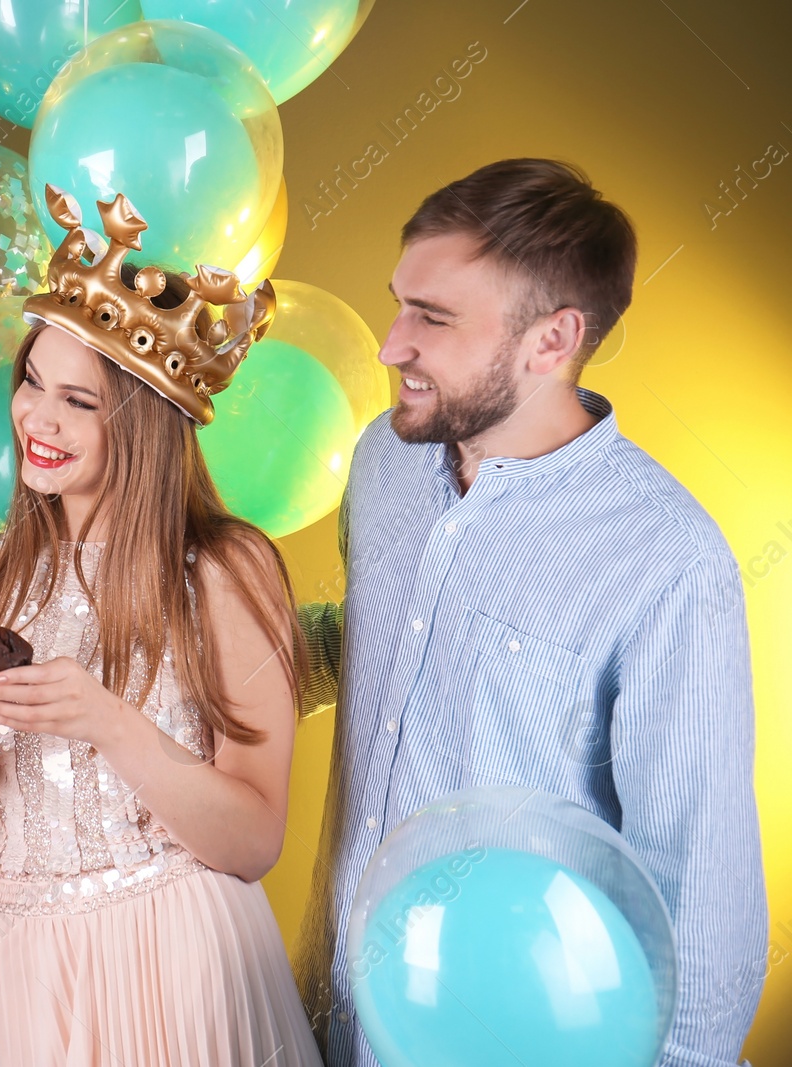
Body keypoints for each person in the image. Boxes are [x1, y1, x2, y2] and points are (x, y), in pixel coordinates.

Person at [292, 158, 765, 1066]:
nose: (391, 345)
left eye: (432, 319)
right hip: (331, 1023)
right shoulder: (383, 460)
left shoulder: (669, 563)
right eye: (400, 303)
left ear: (552, 342)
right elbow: (369, 645)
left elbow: (699, 890)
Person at [0, 187, 324, 1066]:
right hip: (29, 961)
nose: (37, 420)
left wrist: (107, 720)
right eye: (33, 383)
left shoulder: (222, 570)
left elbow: (251, 840)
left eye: (79, 402)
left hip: (181, 952)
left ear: (144, 423)